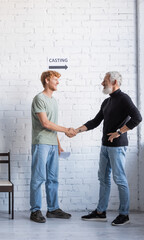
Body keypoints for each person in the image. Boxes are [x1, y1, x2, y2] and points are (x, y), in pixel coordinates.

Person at [76, 71, 142, 226]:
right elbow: (95, 121)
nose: (102, 83)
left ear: (115, 82)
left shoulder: (124, 98)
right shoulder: (107, 102)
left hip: (117, 147)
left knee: (119, 179)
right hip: (105, 146)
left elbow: (137, 117)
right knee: (103, 179)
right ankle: (100, 212)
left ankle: (124, 215)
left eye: (105, 80)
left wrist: (119, 132)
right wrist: (77, 130)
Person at [30, 70, 76, 223]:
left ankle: (53, 209)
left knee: (53, 178)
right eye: (56, 79)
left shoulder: (54, 101)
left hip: (52, 144)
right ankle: (35, 210)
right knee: (38, 178)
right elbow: (45, 123)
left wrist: (59, 144)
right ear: (47, 80)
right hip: (41, 142)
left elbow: (52, 126)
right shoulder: (39, 98)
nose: (58, 82)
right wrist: (66, 130)